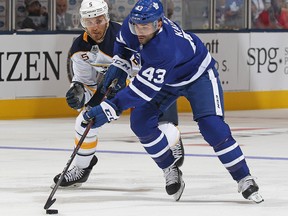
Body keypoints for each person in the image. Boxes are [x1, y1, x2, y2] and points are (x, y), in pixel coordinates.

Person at [80, 0, 264, 203]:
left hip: (198, 75)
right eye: (136, 26)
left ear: (159, 24)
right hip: (168, 78)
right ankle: (170, 167)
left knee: (212, 127)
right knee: (140, 122)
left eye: (146, 27)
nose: (140, 31)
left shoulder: (164, 48)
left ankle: (244, 177)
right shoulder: (132, 25)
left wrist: (109, 108)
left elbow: (141, 91)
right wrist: (119, 64)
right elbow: (123, 46)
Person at [53, 0, 182, 188]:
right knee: (84, 120)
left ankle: (174, 136)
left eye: (98, 20)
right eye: (89, 22)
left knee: (149, 127)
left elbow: (149, 70)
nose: (94, 27)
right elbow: (87, 83)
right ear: (81, 22)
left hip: (147, 86)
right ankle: (82, 168)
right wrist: (80, 91)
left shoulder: (127, 37)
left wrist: (125, 88)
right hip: (114, 88)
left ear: (106, 18)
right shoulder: (79, 48)